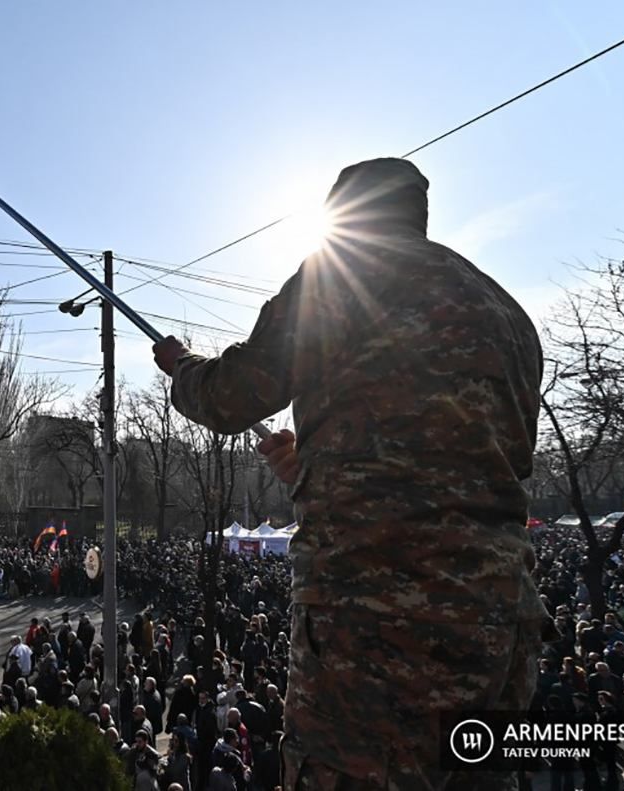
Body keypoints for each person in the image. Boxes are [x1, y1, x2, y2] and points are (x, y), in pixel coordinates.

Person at [154, 157, 548, 788]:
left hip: (374, 619)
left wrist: (181, 368)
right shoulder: (507, 313)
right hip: (499, 621)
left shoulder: (338, 278)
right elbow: (483, 467)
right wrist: (318, 467)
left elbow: (232, 396)